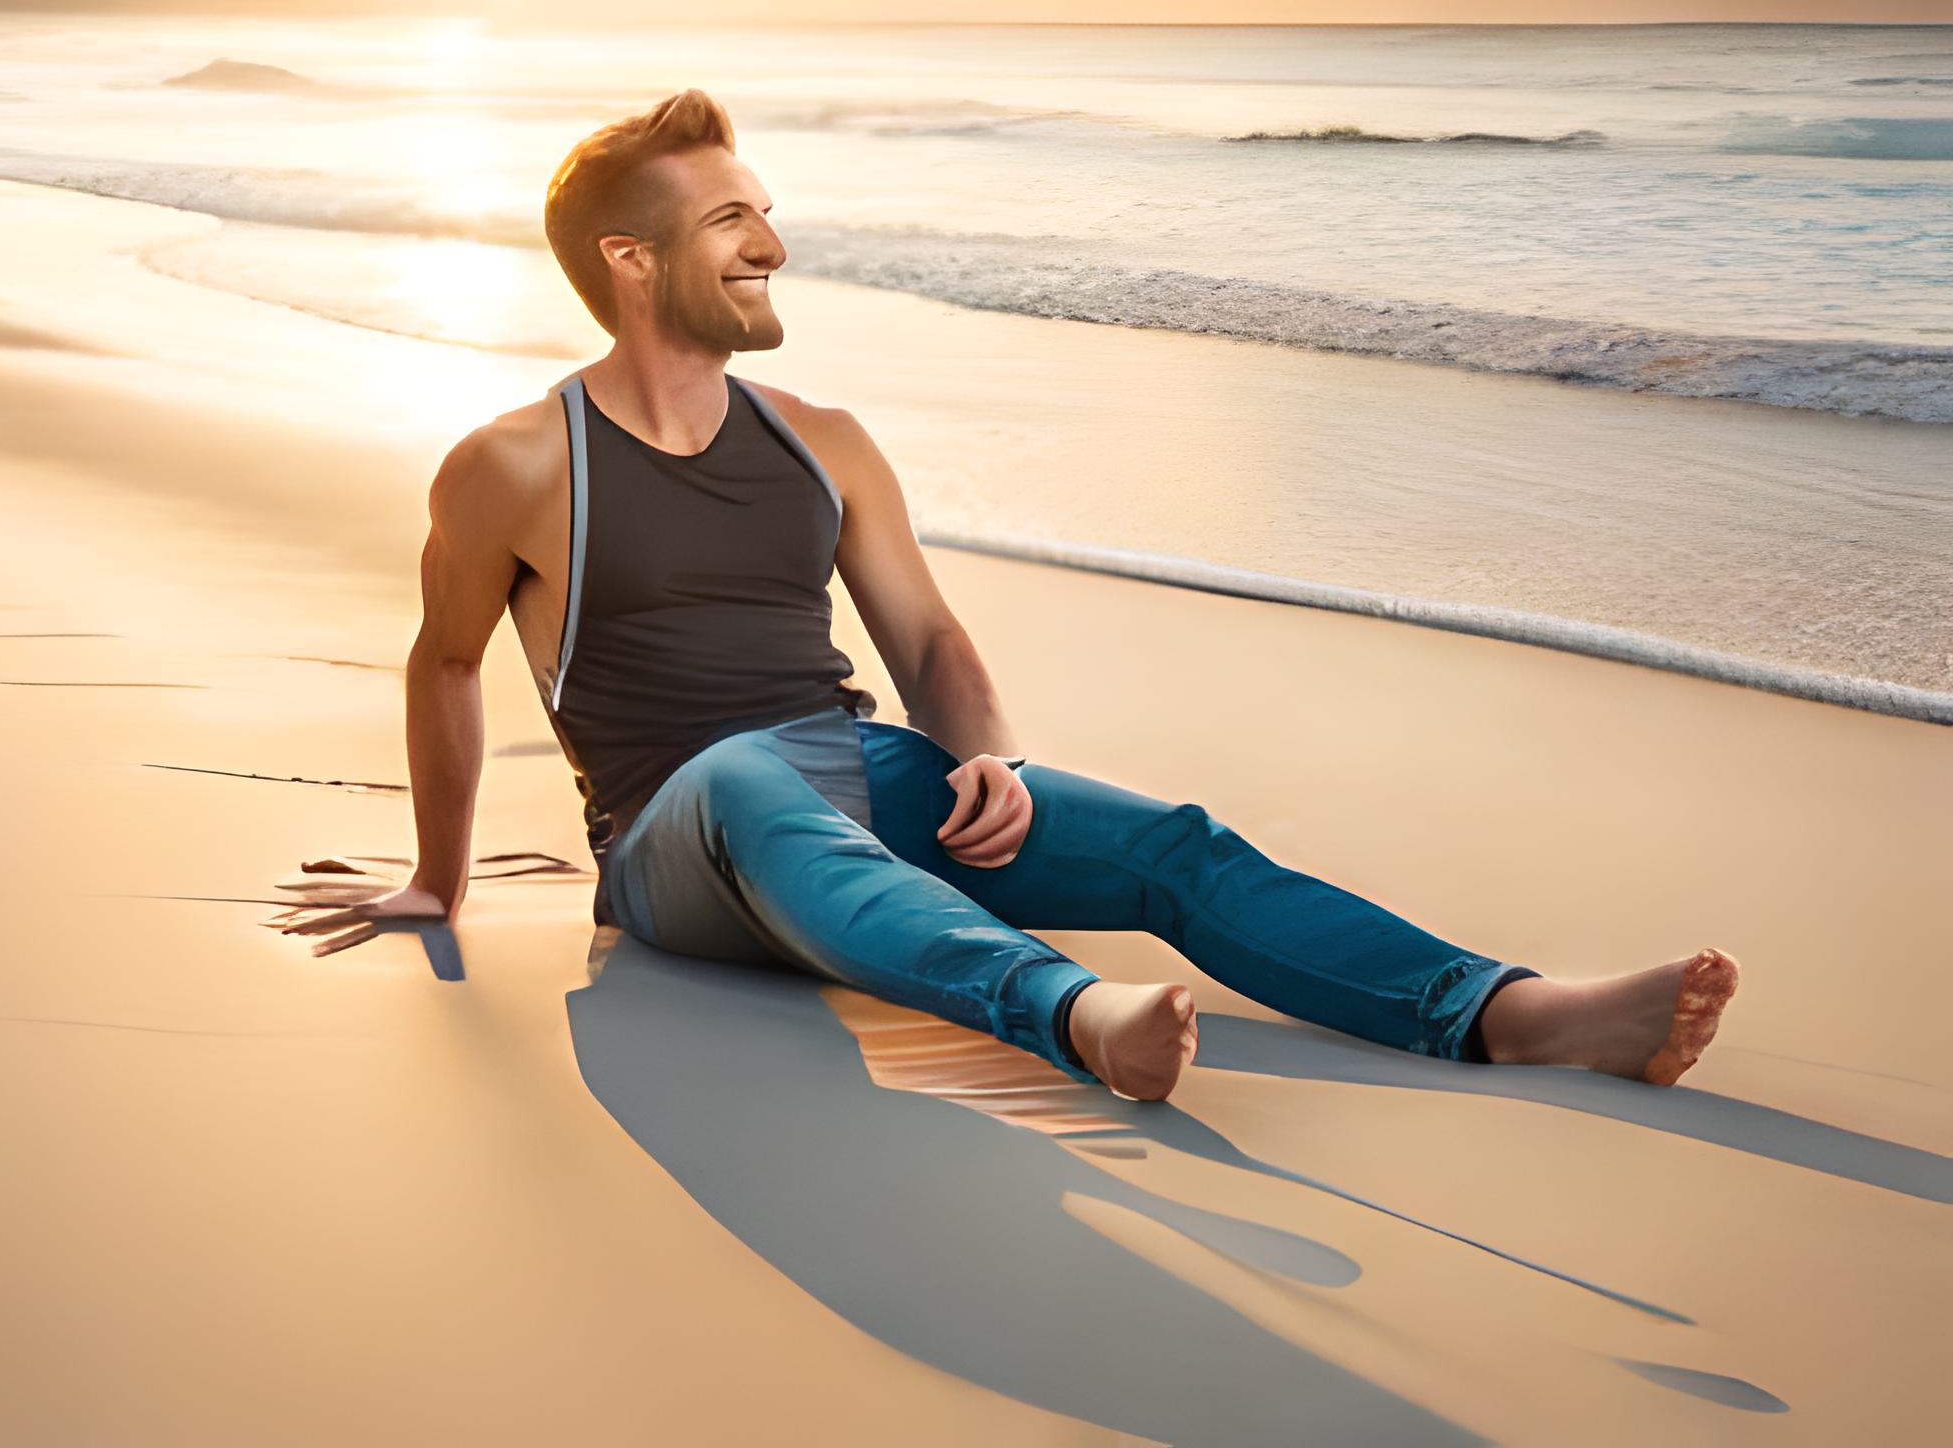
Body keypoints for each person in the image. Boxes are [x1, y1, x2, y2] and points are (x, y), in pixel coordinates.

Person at [283, 89, 1740, 1101]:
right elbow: (447, 663)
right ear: (630, 258)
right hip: (678, 837)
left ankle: (1514, 1013)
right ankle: (1066, 1014)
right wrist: (439, 875)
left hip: (860, 776)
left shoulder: (825, 442)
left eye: (767, 211)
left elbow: (923, 637)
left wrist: (986, 756)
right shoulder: (519, 464)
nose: (772, 243)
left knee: (1174, 845)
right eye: (732, 219)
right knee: (745, 776)